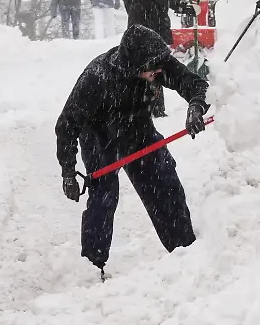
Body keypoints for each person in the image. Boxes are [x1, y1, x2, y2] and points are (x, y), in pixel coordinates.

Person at [55, 24, 210, 278]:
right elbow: (66, 126)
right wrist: (68, 172)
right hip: (98, 133)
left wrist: (196, 106)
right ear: (135, 66)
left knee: (163, 179)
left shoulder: (154, 62)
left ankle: (185, 249)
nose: (160, 71)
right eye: (153, 69)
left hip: (136, 127)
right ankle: (92, 267)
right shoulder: (96, 78)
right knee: (104, 194)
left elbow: (193, 82)